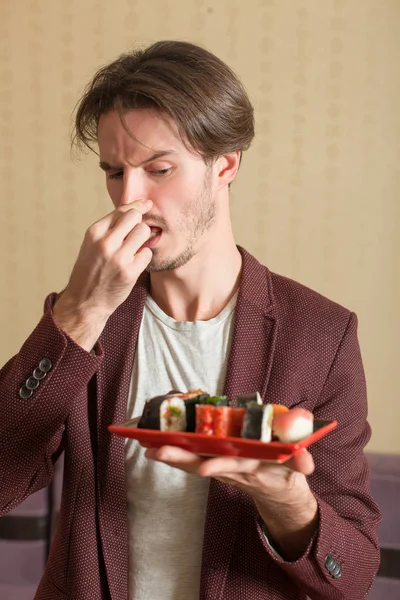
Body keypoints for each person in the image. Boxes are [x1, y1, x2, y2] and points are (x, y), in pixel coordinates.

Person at [0, 40, 380, 600]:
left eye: (159, 169)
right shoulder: (85, 318)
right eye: (113, 172)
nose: (129, 200)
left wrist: (285, 500)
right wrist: (79, 313)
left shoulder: (321, 335)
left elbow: (355, 573)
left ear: (224, 164)